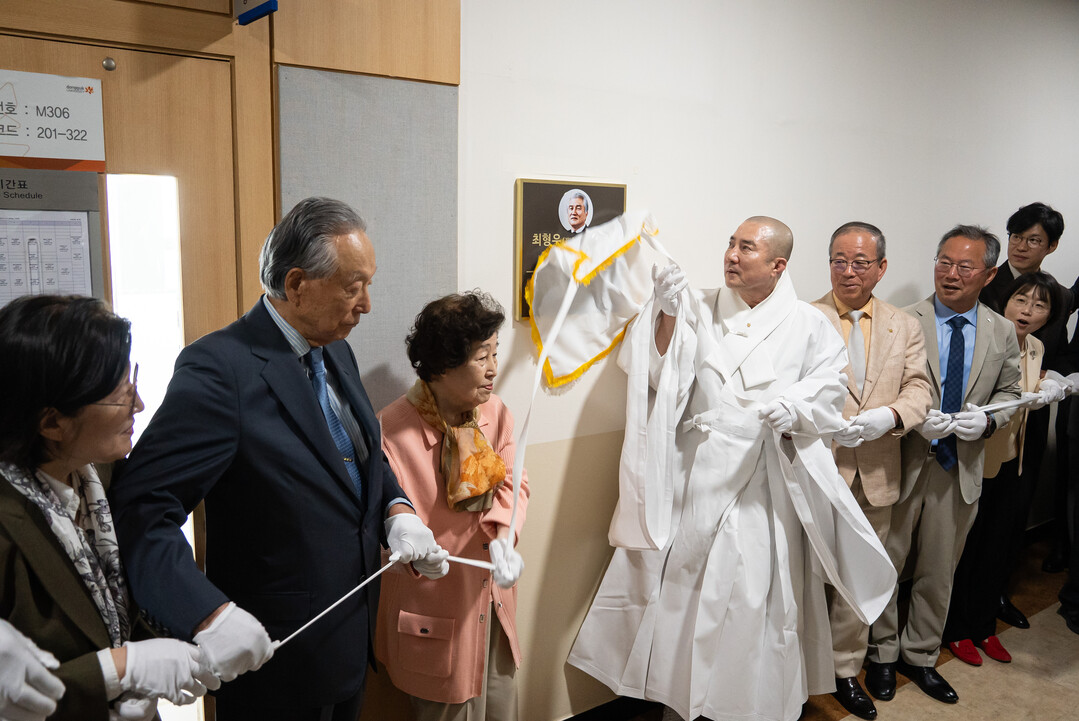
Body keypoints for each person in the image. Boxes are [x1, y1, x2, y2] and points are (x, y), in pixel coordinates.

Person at [109, 198, 448, 721]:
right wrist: (207, 615)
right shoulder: (220, 370)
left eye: (369, 284)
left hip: (349, 642)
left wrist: (397, 510)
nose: (367, 305)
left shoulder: (335, 348)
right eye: (353, 287)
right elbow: (140, 510)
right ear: (296, 285)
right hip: (273, 661)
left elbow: (358, 460)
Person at [568, 217, 895, 721]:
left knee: (750, 597)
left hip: (761, 485)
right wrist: (666, 314)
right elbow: (654, 374)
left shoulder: (808, 326)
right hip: (693, 473)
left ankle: (746, 704)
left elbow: (828, 389)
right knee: (681, 594)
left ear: (777, 265)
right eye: (730, 244)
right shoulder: (696, 305)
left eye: (747, 248)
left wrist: (795, 409)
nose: (732, 255)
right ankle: (676, 697)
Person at [0, 294, 218, 721]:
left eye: (131, 382)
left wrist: (158, 654)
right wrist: (117, 671)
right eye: (119, 395)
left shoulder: (100, 472)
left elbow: (119, 594)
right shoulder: (8, 521)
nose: (137, 405)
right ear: (51, 423)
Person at [865, 225, 1022, 706]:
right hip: (903, 461)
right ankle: (882, 654)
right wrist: (909, 419)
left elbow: (1011, 394)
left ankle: (921, 655)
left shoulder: (1001, 330)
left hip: (960, 467)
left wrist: (988, 423)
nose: (950, 275)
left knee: (939, 570)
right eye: (943, 262)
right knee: (886, 564)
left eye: (964, 266)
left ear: (989, 273)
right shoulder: (899, 320)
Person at [376, 291, 528, 721]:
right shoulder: (391, 431)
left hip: (492, 607)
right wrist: (409, 557)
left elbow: (515, 485)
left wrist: (504, 537)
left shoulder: (494, 414)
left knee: (502, 710)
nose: (494, 369)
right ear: (443, 365)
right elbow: (381, 521)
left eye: (496, 353)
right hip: (433, 618)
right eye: (482, 357)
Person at [810, 222, 932, 720]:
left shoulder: (903, 325)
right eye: (839, 260)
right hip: (818, 472)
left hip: (878, 474)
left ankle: (843, 670)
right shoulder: (805, 318)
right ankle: (797, 670)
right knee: (807, 577)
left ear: (881, 268)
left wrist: (892, 416)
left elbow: (920, 388)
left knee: (859, 580)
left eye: (861, 262)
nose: (848, 271)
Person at [944, 272, 1067, 665]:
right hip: (974, 459)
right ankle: (956, 629)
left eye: (1040, 304)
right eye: (1021, 299)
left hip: (1012, 461)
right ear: (1005, 301)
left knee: (997, 547)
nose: (1028, 310)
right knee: (965, 549)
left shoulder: (1035, 348)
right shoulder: (986, 339)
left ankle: (983, 626)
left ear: (1050, 316)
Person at [980, 202, 1077, 582]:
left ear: (1051, 246)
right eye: (1015, 237)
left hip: (1032, 417)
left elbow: (1064, 353)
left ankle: (999, 590)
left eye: (1032, 239)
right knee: (981, 510)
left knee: (1016, 507)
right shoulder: (987, 282)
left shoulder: (1062, 296)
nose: (1020, 246)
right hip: (987, 414)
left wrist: (1054, 379)